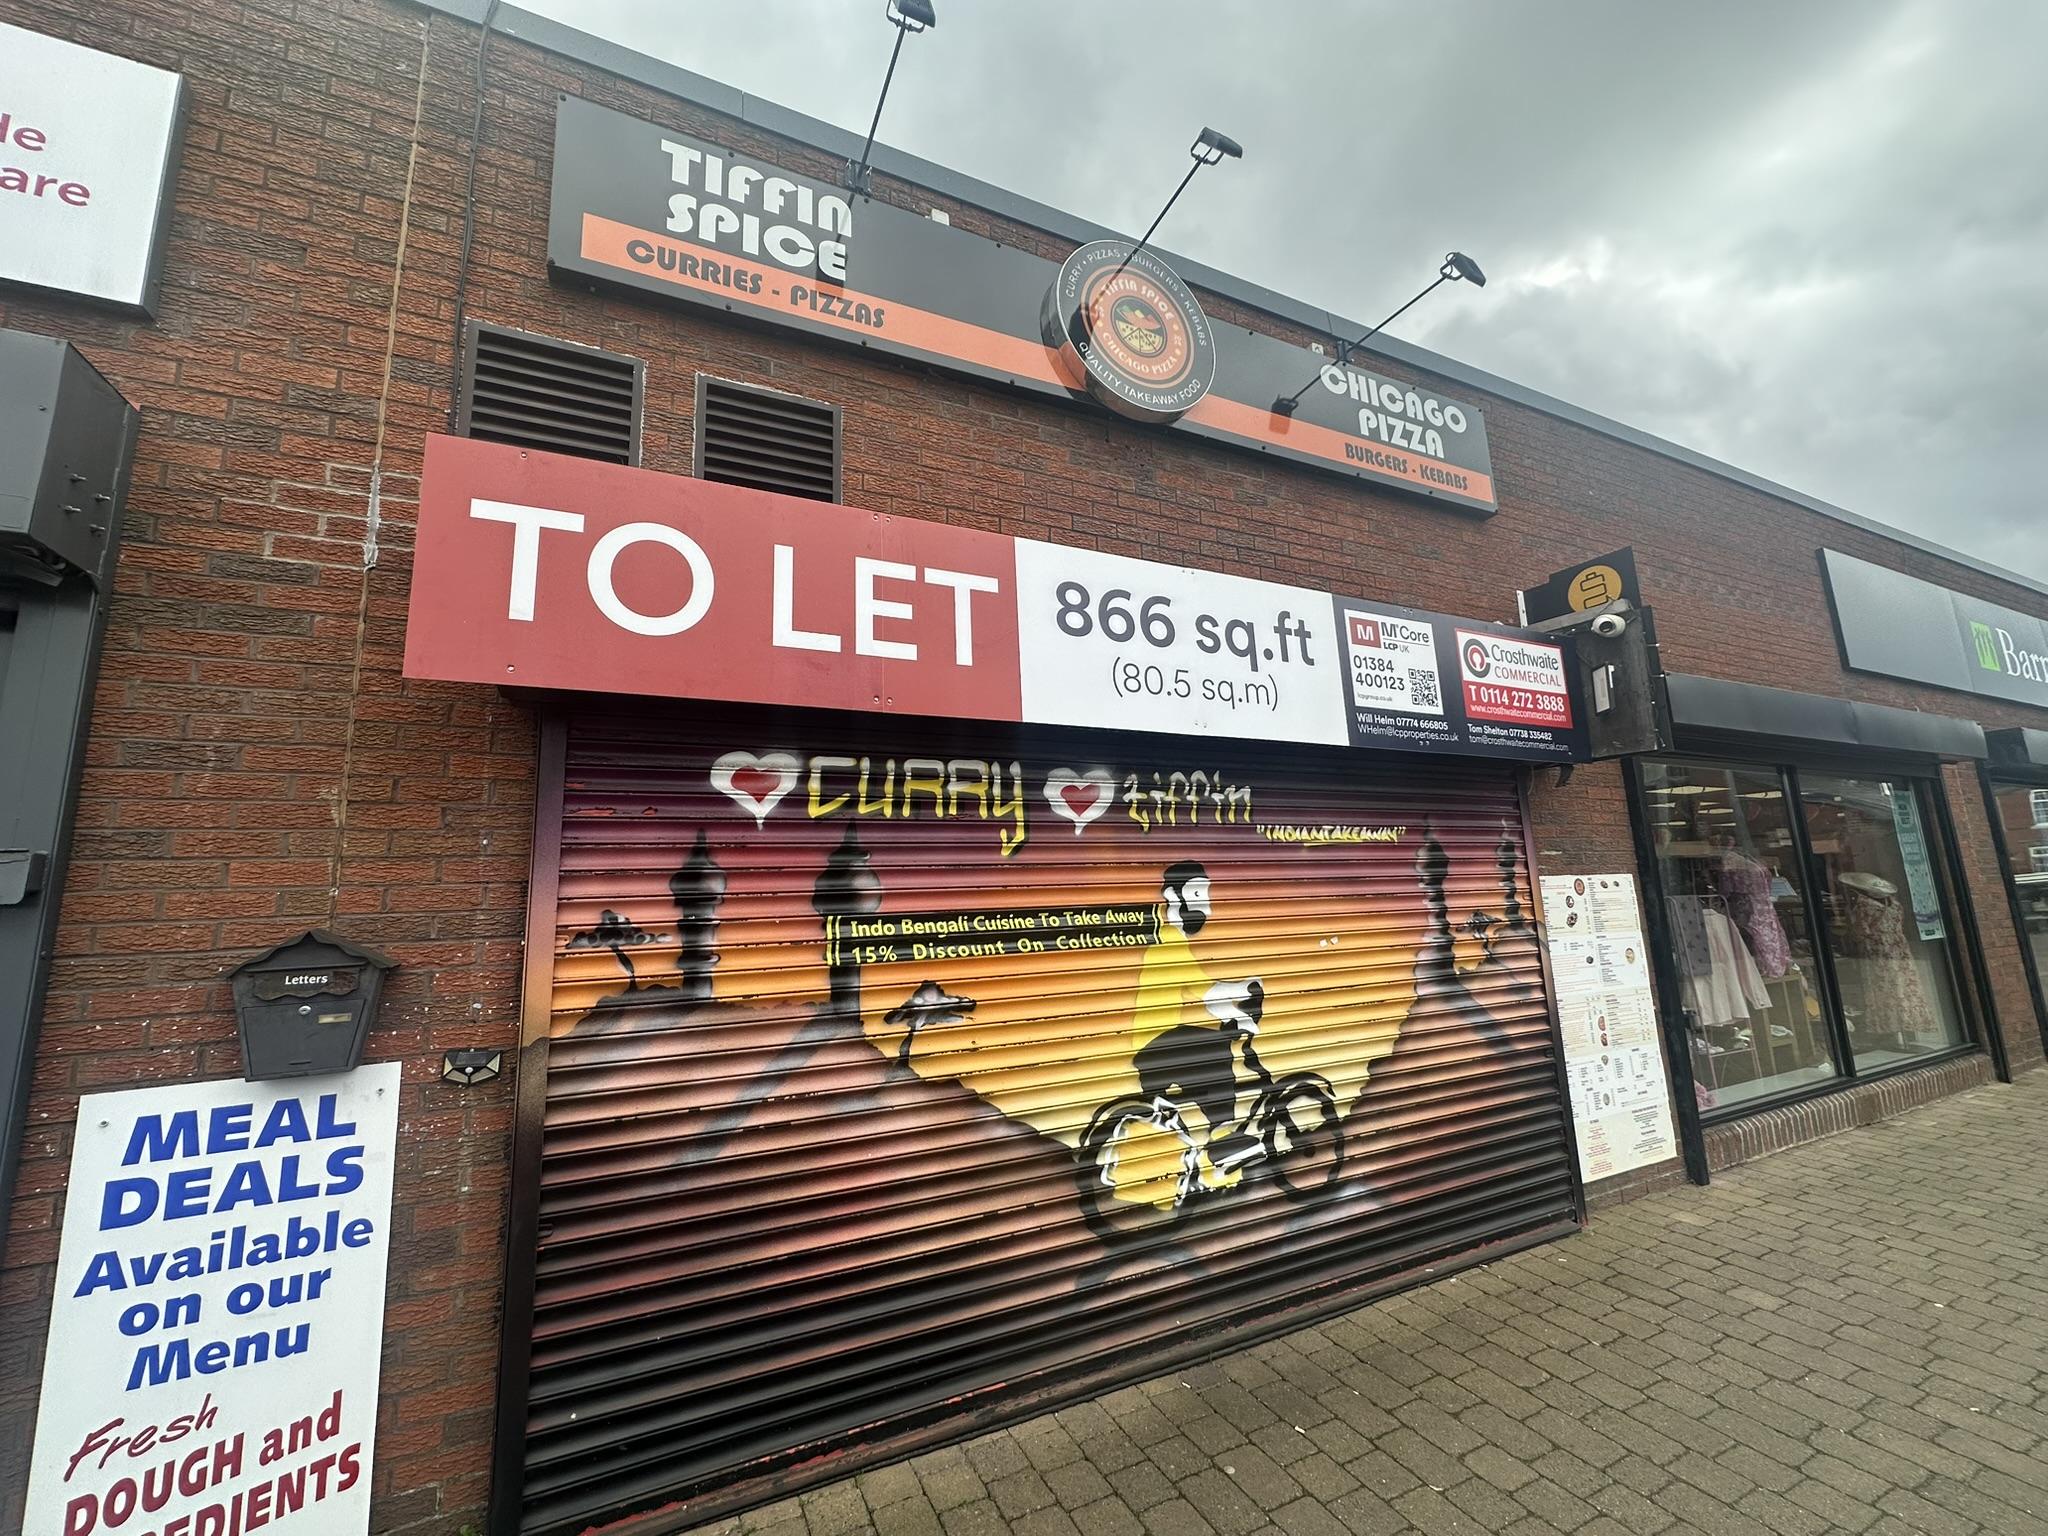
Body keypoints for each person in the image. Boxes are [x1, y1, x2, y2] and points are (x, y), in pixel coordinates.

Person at [1129, 861, 1271, 1174]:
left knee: (1211, 1052)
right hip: (1155, 1045)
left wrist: (1240, 997)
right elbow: (1208, 995)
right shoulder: (1168, 946)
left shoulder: (1174, 942)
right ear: (1172, 896)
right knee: (1215, 1049)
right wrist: (1241, 1006)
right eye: (1196, 894)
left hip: (1159, 1046)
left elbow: (1203, 989)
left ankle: (1213, 1135)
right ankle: (1223, 1140)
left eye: (1205, 895)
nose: (1205, 905)